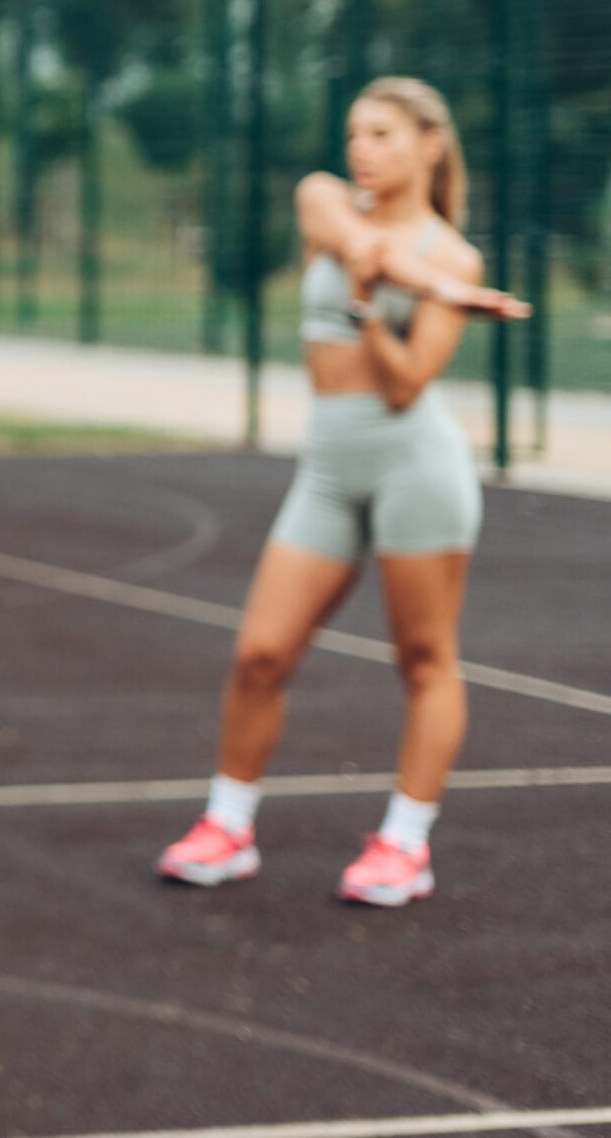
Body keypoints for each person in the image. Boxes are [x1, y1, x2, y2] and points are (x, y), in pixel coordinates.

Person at [156, 77, 529, 907]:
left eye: (384, 134)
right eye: (357, 132)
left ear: (432, 145)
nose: (361, 147)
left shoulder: (457, 254)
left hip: (413, 464)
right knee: (259, 652)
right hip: (326, 465)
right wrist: (428, 292)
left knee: (424, 657)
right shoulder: (325, 202)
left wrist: (370, 311)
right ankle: (228, 825)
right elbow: (357, 245)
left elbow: (405, 385)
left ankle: (404, 843)